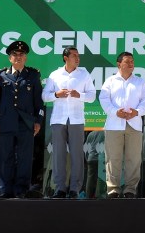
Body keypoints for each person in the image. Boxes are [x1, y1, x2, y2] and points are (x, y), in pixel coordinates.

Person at [0, 40, 44, 198]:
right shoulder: (0, 76)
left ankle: (21, 190)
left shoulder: (33, 75)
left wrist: (38, 121)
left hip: (26, 123)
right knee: (5, 157)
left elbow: (38, 102)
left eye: (21, 54)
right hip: (5, 122)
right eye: (15, 54)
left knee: (24, 157)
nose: (18, 57)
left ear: (25, 57)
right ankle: (5, 189)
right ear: (10, 58)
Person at [42, 46, 96, 199]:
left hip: (76, 119)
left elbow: (92, 96)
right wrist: (56, 94)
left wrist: (80, 95)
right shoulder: (55, 75)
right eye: (74, 56)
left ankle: (75, 189)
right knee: (58, 154)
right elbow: (44, 96)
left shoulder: (84, 74)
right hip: (58, 119)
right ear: (65, 58)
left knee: (77, 154)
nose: (77, 58)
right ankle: (59, 188)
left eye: (78, 55)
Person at [99, 52, 145, 199]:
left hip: (134, 125)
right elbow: (104, 99)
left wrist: (137, 112)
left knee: (133, 159)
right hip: (114, 124)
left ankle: (130, 190)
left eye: (132, 61)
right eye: (127, 61)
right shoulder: (110, 81)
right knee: (113, 158)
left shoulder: (140, 82)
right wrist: (115, 112)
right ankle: (113, 190)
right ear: (119, 64)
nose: (131, 64)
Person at [84, 129, 105, 198]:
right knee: (102, 180)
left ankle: (88, 197)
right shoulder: (105, 132)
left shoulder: (91, 134)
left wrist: (87, 158)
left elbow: (86, 149)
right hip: (102, 158)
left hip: (91, 158)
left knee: (91, 180)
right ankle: (102, 197)